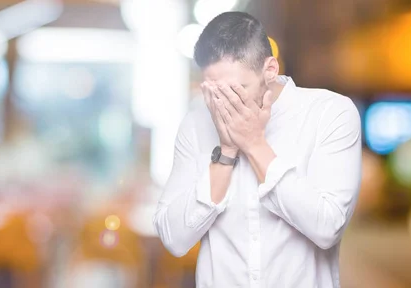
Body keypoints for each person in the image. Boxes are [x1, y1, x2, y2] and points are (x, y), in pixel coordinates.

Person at [153, 11, 361, 288]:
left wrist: (253, 144)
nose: (225, 103)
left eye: (237, 90)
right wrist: (226, 153)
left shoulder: (330, 114)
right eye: (215, 91)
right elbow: (174, 239)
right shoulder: (195, 123)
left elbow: (327, 227)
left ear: (270, 70)